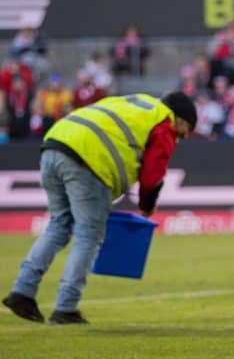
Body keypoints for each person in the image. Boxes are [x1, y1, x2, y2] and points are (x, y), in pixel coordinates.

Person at [4, 92, 197, 325]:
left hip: (54, 144)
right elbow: (152, 173)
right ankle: (66, 308)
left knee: (59, 225)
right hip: (88, 160)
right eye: (187, 128)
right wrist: (147, 204)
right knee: (88, 235)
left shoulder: (134, 101)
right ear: (181, 118)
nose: (184, 136)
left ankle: (22, 291)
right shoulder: (164, 122)